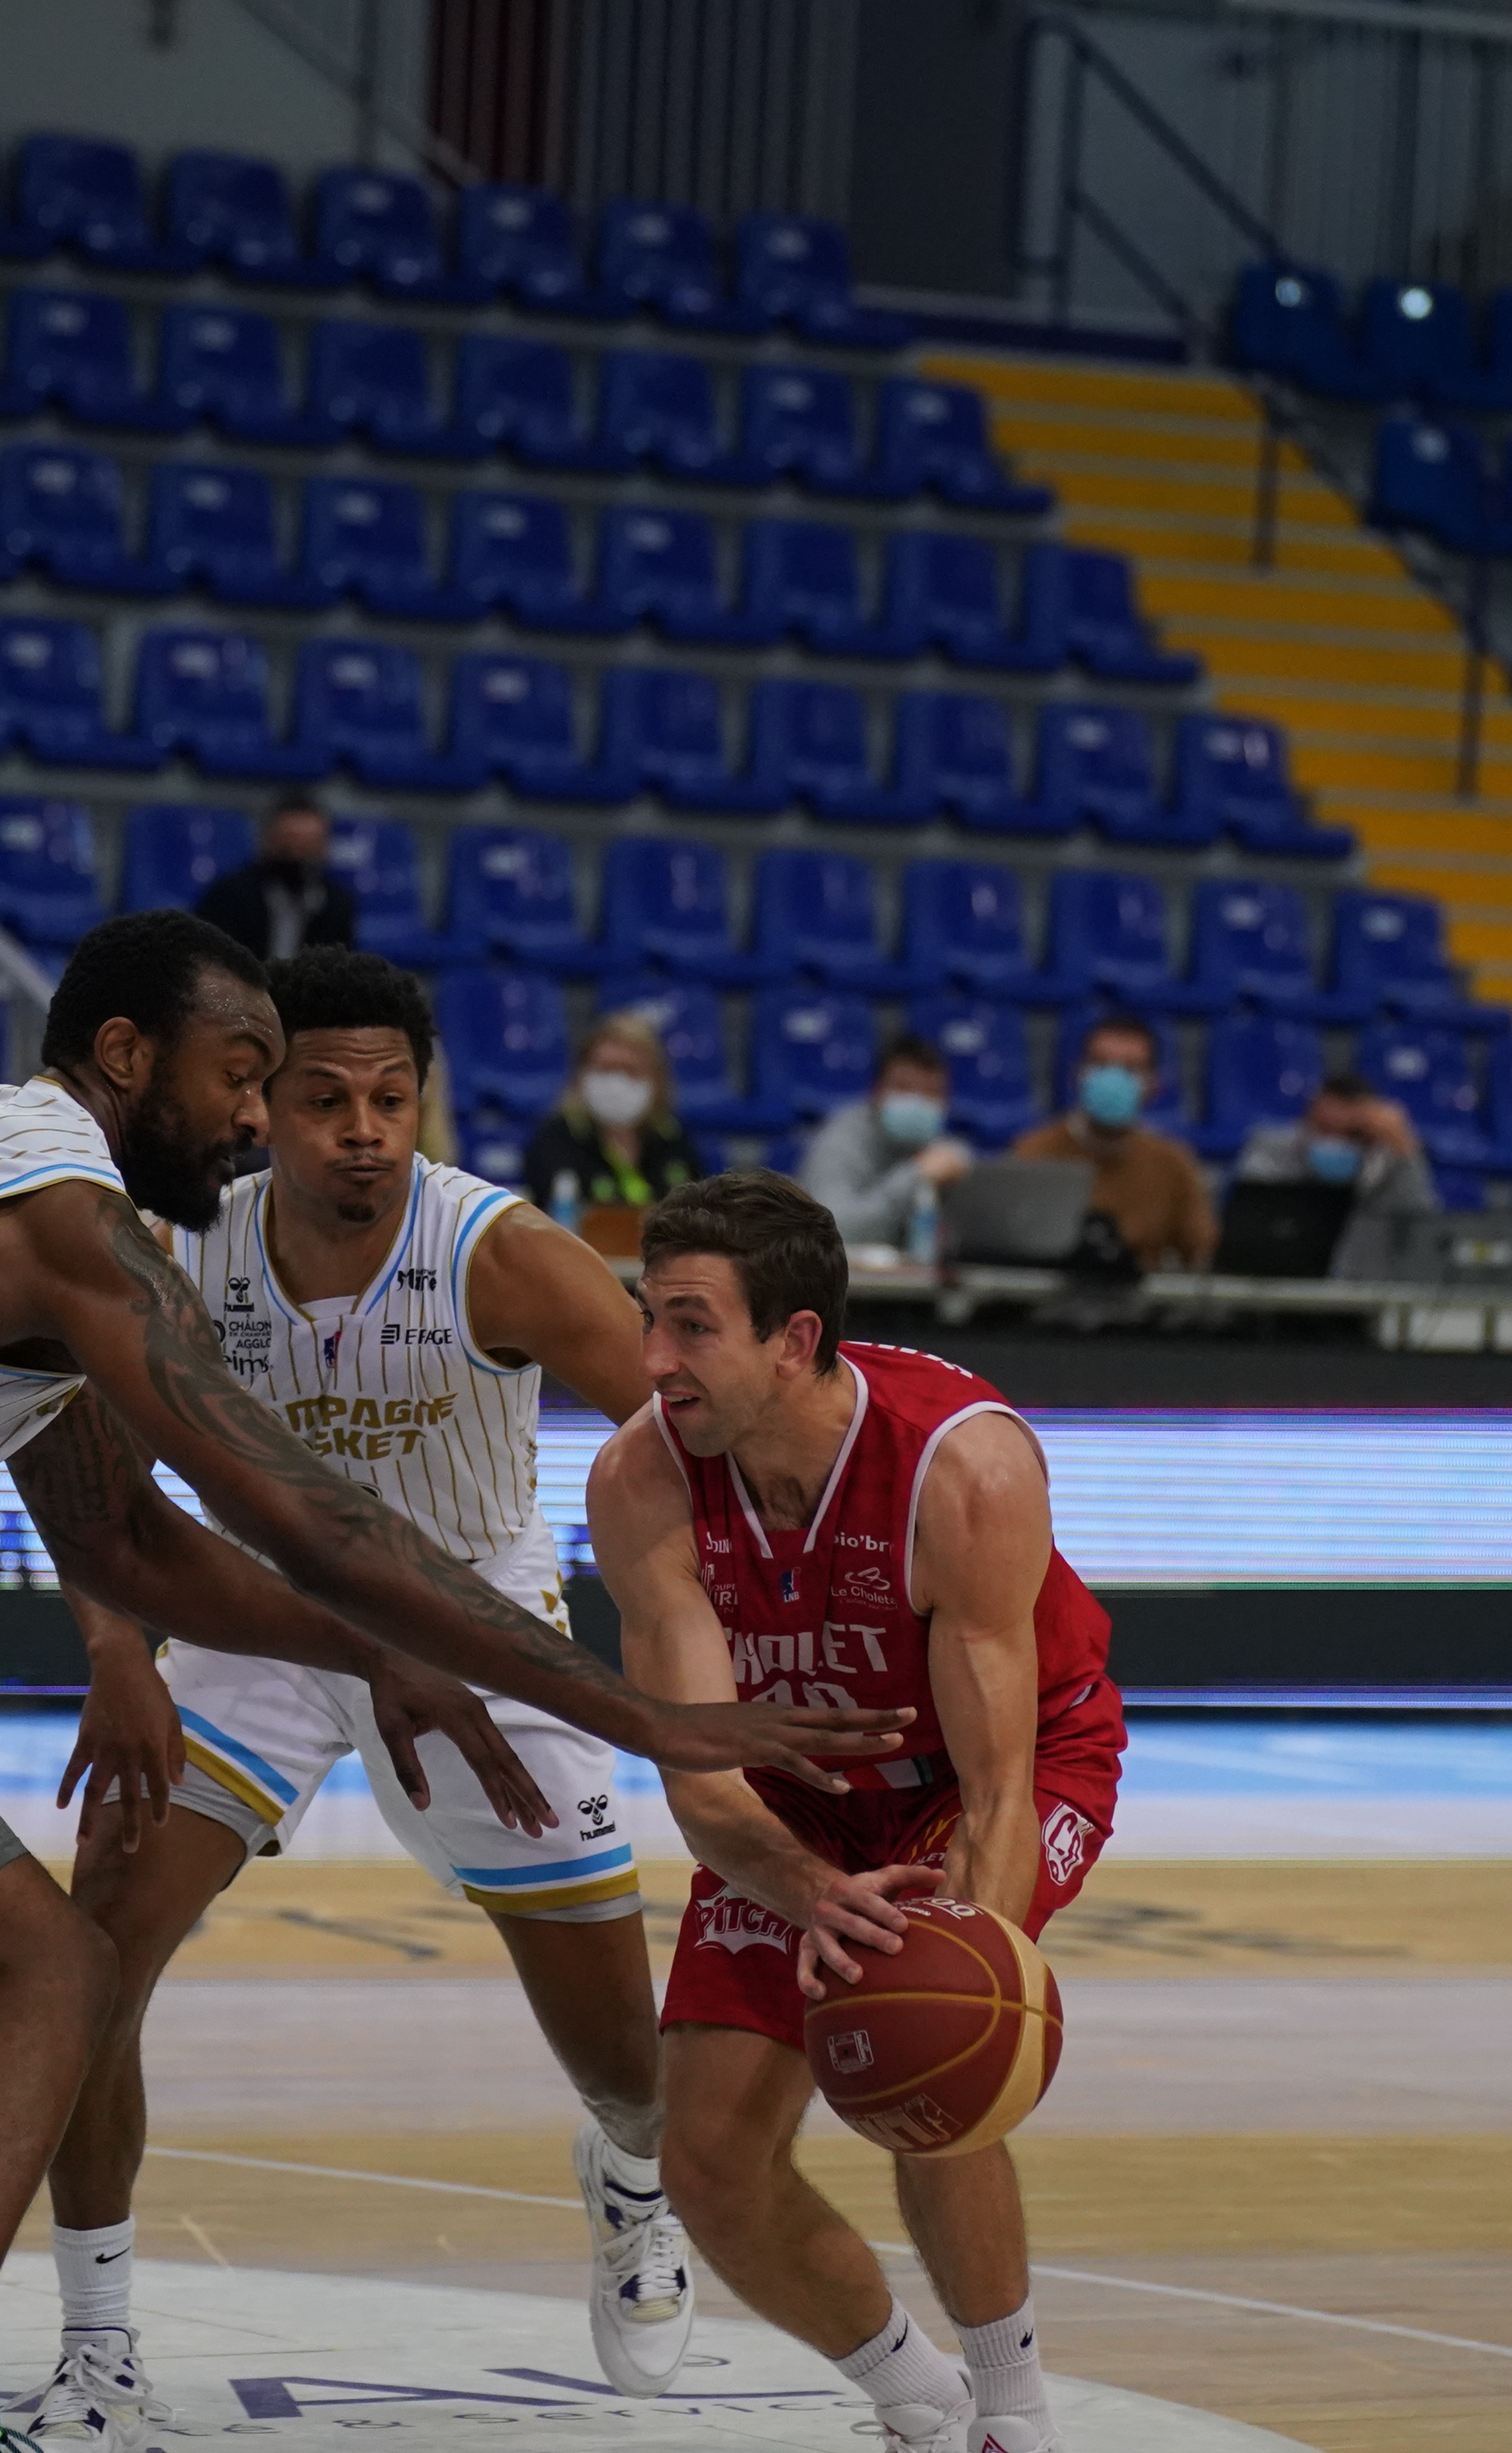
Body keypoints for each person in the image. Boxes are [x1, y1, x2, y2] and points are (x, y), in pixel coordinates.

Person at [0, 913, 899, 2453]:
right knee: (49, 1965)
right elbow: (291, 1507)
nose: (263, 1119)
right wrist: (647, 1712)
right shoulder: (78, 1215)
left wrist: (379, 1647)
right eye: (245, 1077)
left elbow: (124, 1535)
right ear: (127, 1057)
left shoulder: (7, 1175)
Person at [34, 946, 694, 2441]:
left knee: (625, 2061)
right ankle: (94, 2346)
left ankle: (632, 2179)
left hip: (472, 1621)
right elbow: (89, 1472)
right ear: (259, 1100)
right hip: (257, 1624)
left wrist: (675, 1618)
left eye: (392, 1098)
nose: (363, 1128)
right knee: (89, 1954)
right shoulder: (174, 1242)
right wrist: (117, 1650)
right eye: (324, 1096)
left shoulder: (505, 1253)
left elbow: (674, 1437)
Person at [588, 1169, 1126, 2453]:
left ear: (796, 1338)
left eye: (691, 1324)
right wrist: (809, 1890)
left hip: (998, 1767)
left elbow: (996, 1784)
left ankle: (1014, 2414)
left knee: (935, 2048)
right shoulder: (641, 1481)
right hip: (798, 1800)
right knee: (709, 2156)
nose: (655, 1356)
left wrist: (963, 1959)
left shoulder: (965, 1465)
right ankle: (920, 2403)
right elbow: (704, 1775)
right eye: (649, 1317)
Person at [1012, 1013, 1215, 1272]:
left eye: (1131, 1070)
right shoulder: (1032, 1154)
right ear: (1078, 1075)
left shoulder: (1175, 1165)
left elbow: (1201, 1256)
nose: (1113, 1080)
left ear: (1153, 1085)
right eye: (1100, 1065)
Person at [1230, 1069, 1439, 1272]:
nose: (1335, 1143)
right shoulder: (1272, 1149)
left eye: (1351, 1134)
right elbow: (1247, 1234)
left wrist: (1403, 1148)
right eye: (1325, 1130)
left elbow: (1423, 1233)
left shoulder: (1390, 1166)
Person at [515, 1009, 710, 1217]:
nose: (617, 1083)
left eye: (629, 1070)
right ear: (582, 1075)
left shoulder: (673, 1138)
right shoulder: (556, 1139)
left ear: (656, 1080)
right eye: (606, 1069)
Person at [799, 1033, 973, 1256]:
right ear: (875, 1092)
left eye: (931, 1093)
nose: (917, 1102)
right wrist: (916, 1176)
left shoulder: (942, 1151)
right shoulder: (840, 1139)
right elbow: (830, 1232)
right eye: (903, 1088)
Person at [188, 793, 357, 960]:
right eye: (288, 846)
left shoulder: (337, 905)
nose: (300, 858)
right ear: (266, 842)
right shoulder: (228, 897)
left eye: (310, 846)